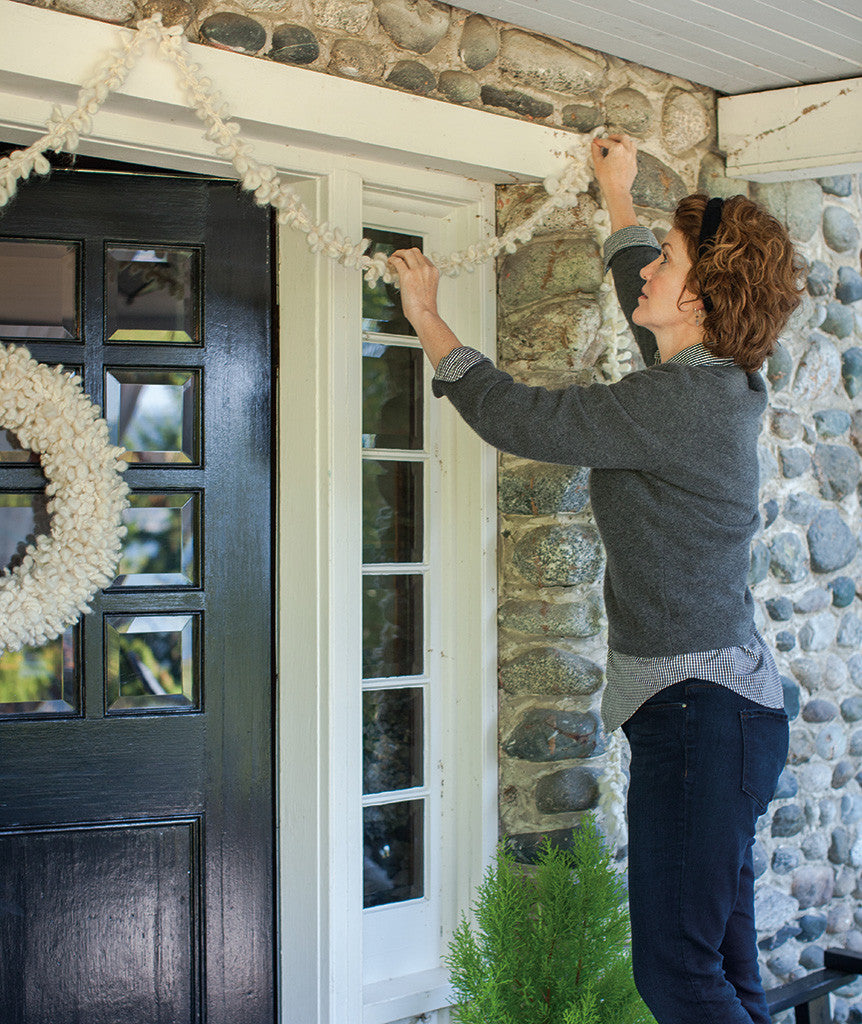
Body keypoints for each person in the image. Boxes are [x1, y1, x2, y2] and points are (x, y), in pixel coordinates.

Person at [388, 133, 803, 1024]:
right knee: (726, 976)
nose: (650, 268)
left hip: (702, 720)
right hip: (724, 714)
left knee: (677, 977)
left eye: (671, 259)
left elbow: (521, 415)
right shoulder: (709, 378)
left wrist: (426, 313)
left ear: (698, 294)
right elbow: (636, 291)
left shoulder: (678, 401)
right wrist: (617, 194)